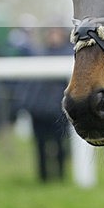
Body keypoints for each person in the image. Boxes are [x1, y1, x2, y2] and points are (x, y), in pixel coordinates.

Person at [19, 27, 70, 182]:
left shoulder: (69, 54)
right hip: (39, 110)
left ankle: (60, 176)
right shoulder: (39, 54)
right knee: (40, 145)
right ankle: (43, 177)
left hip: (58, 109)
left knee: (60, 145)